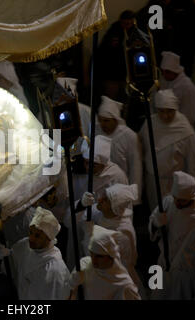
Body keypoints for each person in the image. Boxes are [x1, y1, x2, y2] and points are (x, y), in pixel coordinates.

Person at [148, 171, 195, 300]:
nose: (177, 203)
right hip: (162, 267)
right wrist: (156, 223)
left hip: (186, 276)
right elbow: (153, 221)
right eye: (175, 198)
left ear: (192, 197)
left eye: (181, 201)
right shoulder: (169, 202)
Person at [64, 135, 128, 270]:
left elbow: (121, 208)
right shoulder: (85, 175)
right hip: (82, 226)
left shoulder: (116, 176)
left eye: (93, 164)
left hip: (105, 228)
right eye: (86, 162)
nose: (88, 167)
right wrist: (81, 204)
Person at [139, 89, 195, 211]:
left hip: (175, 183)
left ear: (176, 109)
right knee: (156, 213)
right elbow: (142, 149)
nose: (165, 116)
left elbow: (194, 163)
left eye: (170, 111)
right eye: (161, 111)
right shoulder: (150, 124)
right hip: (153, 181)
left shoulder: (185, 130)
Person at [80, 184, 145, 297]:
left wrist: (88, 234)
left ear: (114, 207)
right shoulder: (105, 213)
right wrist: (82, 204)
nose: (99, 199)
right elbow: (74, 218)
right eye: (103, 196)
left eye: (105, 200)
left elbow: (99, 259)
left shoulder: (121, 233)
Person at [0, 207, 71, 300]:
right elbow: (12, 260)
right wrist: (5, 255)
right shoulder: (25, 246)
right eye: (30, 232)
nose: (31, 239)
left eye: (37, 236)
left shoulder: (55, 270)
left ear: (49, 238)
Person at [69, 225, 141, 300]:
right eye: (91, 254)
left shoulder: (125, 285)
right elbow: (71, 295)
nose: (94, 261)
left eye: (99, 256)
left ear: (110, 256)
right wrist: (73, 285)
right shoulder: (85, 266)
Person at [136, 0, 195, 76]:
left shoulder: (188, 6)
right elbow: (140, 23)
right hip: (159, 61)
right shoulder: (154, 5)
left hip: (181, 60)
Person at [96, 96, 143, 202]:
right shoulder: (96, 131)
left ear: (115, 120)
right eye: (101, 120)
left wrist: (135, 195)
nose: (103, 124)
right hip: (100, 187)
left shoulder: (129, 136)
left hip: (121, 187)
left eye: (107, 121)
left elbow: (135, 167)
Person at [158, 51, 195, 125]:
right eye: (162, 72)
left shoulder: (188, 88)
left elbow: (190, 117)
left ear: (174, 71)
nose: (164, 75)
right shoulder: (163, 81)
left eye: (167, 72)